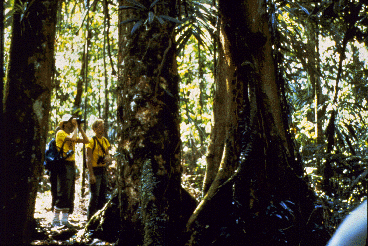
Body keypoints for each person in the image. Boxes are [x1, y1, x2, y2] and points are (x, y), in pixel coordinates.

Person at [52, 114, 89, 227]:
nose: (72, 124)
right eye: (70, 122)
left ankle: (64, 220)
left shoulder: (70, 135)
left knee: (69, 191)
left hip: (71, 164)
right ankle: (55, 220)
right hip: (63, 164)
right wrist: (76, 126)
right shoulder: (61, 133)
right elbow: (73, 138)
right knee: (62, 190)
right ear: (65, 123)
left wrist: (80, 128)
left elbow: (86, 140)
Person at [86, 119, 111, 220]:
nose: (102, 129)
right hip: (95, 171)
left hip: (103, 170)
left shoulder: (105, 140)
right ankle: (90, 219)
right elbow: (88, 158)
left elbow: (108, 154)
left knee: (103, 195)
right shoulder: (91, 141)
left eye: (103, 127)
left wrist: (108, 158)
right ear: (95, 129)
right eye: (100, 127)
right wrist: (91, 174)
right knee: (94, 196)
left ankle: (100, 220)